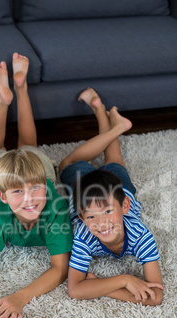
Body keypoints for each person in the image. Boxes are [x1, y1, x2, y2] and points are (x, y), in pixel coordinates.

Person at [0, 53, 73, 318]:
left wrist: (20, 297)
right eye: (17, 194)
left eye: (37, 190)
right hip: (13, 168)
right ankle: (7, 96)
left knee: (27, 148)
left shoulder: (54, 204)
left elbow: (60, 269)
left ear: (47, 187)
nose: (30, 200)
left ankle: (14, 92)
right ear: (1, 196)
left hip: (37, 167)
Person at [59, 88, 165, 306]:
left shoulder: (141, 235)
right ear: (81, 217)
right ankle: (107, 118)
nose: (101, 223)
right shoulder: (84, 233)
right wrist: (125, 280)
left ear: (125, 206)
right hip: (95, 191)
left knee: (71, 164)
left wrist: (103, 287)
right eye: (91, 217)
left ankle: (103, 114)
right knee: (111, 160)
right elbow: (75, 289)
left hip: (117, 190)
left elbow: (156, 297)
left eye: (107, 212)